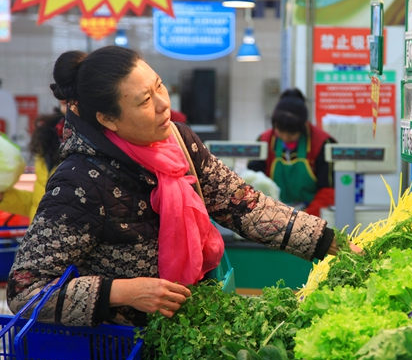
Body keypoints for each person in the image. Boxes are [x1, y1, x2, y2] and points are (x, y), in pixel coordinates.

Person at [7, 46, 359, 327]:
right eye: (145, 101)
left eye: (159, 86)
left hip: (188, 326)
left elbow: (244, 205)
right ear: (107, 119)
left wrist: (332, 243)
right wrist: (122, 292)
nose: (163, 105)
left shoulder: (179, 141)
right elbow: (25, 290)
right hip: (121, 346)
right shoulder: (78, 182)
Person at [0, 51, 85, 220]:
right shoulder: (50, 136)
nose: (63, 94)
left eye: (72, 86)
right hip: (40, 240)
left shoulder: (97, 144)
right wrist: (4, 198)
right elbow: (39, 202)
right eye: (60, 85)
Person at [248, 88, 336, 217]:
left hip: (311, 217)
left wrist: (305, 217)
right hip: (271, 217)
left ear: (304, 127)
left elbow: (328, 190)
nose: (285, 137)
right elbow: (253, 182)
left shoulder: (322, 144)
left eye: (291, 134)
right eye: (280, 131)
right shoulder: (264, 141)